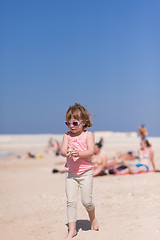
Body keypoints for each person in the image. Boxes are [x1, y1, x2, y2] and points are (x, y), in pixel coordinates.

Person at [61, 103, 99, 239]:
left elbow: (91, 152)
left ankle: (92, 218)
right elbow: (62, 151)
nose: (71, 126)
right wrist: (68, 153)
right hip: (71, 174)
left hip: (85, 173)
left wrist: (78, 154)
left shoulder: (88, 135)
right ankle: (72, 230)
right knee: (71, 201)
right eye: (68, 123)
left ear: (83, 123)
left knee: (86, 201)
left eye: (75, 123)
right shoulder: (67, 135)